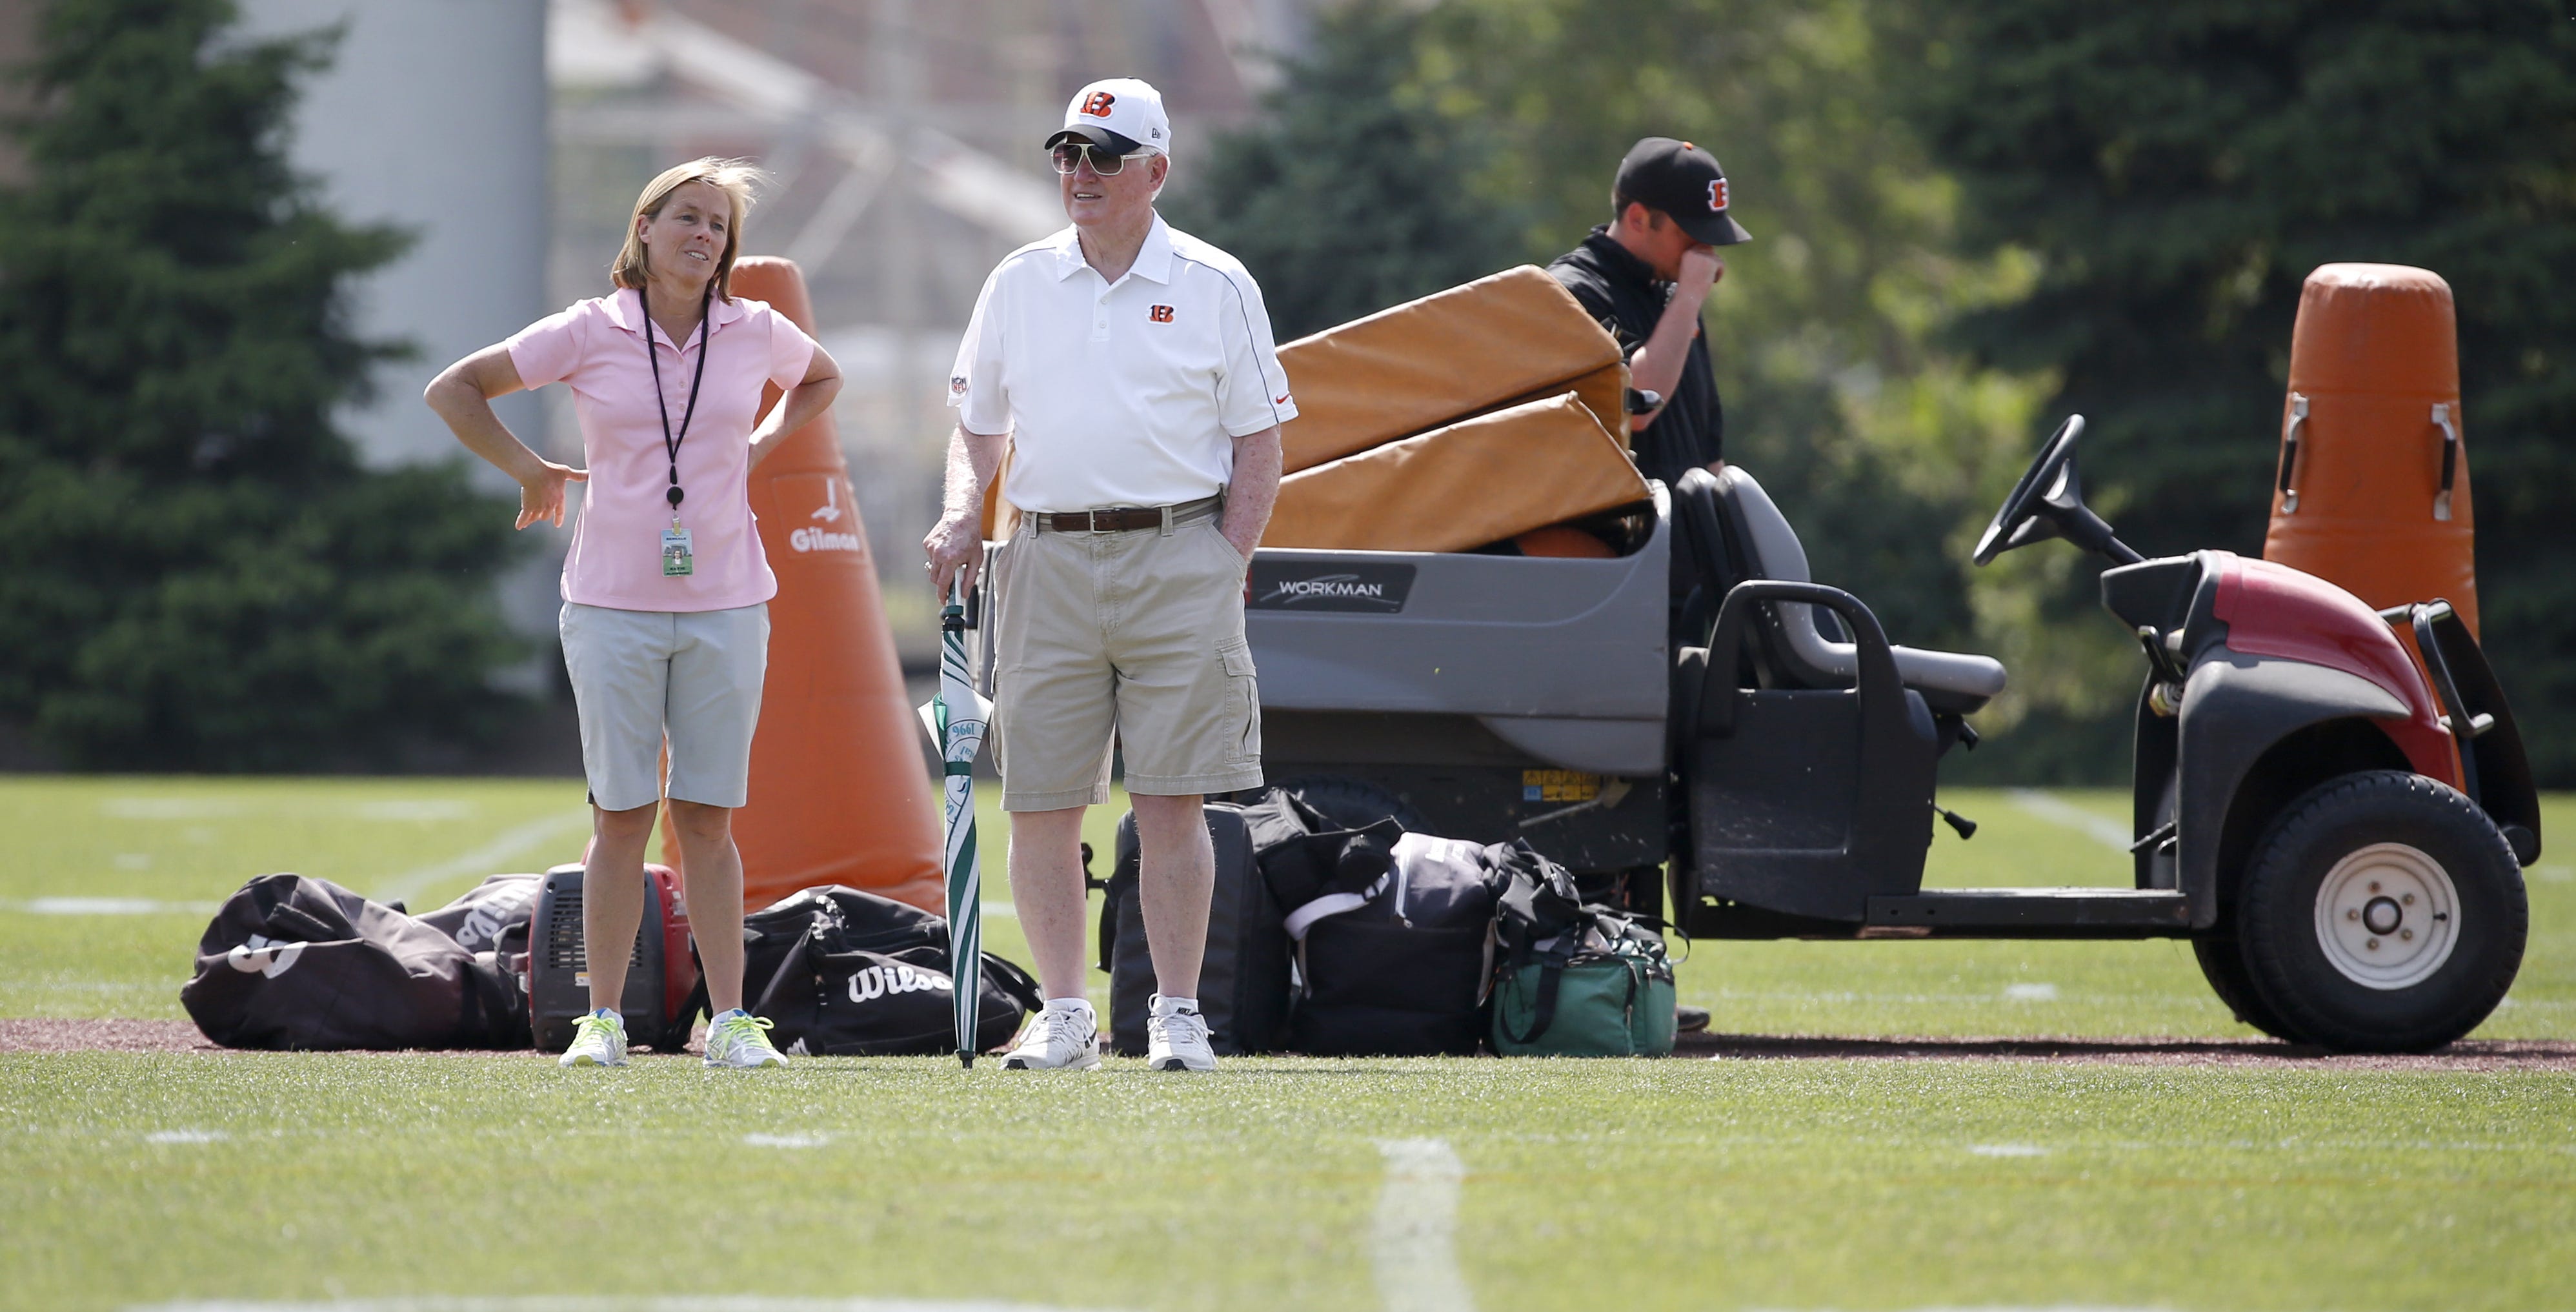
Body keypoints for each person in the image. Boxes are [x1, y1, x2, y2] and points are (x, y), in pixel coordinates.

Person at [425, 158, 843, 1070]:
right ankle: (603, 1022)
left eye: (719, 226)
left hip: (729, 602)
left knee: (707, 818)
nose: (704, 236)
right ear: (644, 228)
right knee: (621, 815)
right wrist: (530, 470)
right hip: (610, 604)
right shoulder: (590, 328)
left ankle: (732, 1024)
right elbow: (453, 389)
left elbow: (822, 380)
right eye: (687, 218)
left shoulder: (755, 328)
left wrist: (766, 444)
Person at [922, 78, 1290, 1073]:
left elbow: (1261, 443)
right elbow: (978, 426)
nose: (1079, 173)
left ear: (1155, 171)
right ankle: (1065, 1015)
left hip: (1182, 553)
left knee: (1173, 801)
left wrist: (1227, 558)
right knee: (1039, 798)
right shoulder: (1017, 279)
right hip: (1042, 556)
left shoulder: (1217, 282)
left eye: (1105, 155)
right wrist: (965, 511)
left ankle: (1176, 1013)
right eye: (1068, 154)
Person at [1547, 136, 1750, 490]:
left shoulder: (1676, 297)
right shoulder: (1571, 293)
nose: (1705, 250)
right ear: (1639, 218)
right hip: (1623, 542)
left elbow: (1709, 453)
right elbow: (1635, 407)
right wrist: (1687, 298)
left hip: (1684, 540)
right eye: (1691, 233)